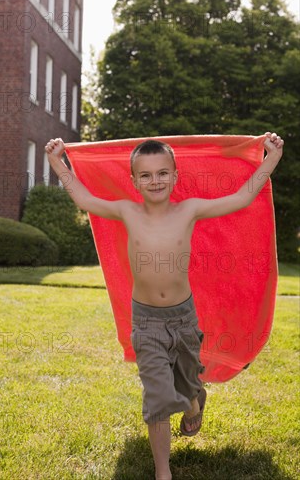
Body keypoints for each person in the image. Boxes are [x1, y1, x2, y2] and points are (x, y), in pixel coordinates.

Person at [45, 132, 284, 480]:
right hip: (146, 322)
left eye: (161, 173)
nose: (154, 180)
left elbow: (240, 197)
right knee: (157, 396)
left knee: (186, 386)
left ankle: (193, 403)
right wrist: (57, 161)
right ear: (134, 181)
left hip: (183, 318)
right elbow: (84, 198)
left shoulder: (189, 210)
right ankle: (162, 472)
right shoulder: (126, 211)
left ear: (174, 176)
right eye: (145, 175)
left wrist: (271, 157)